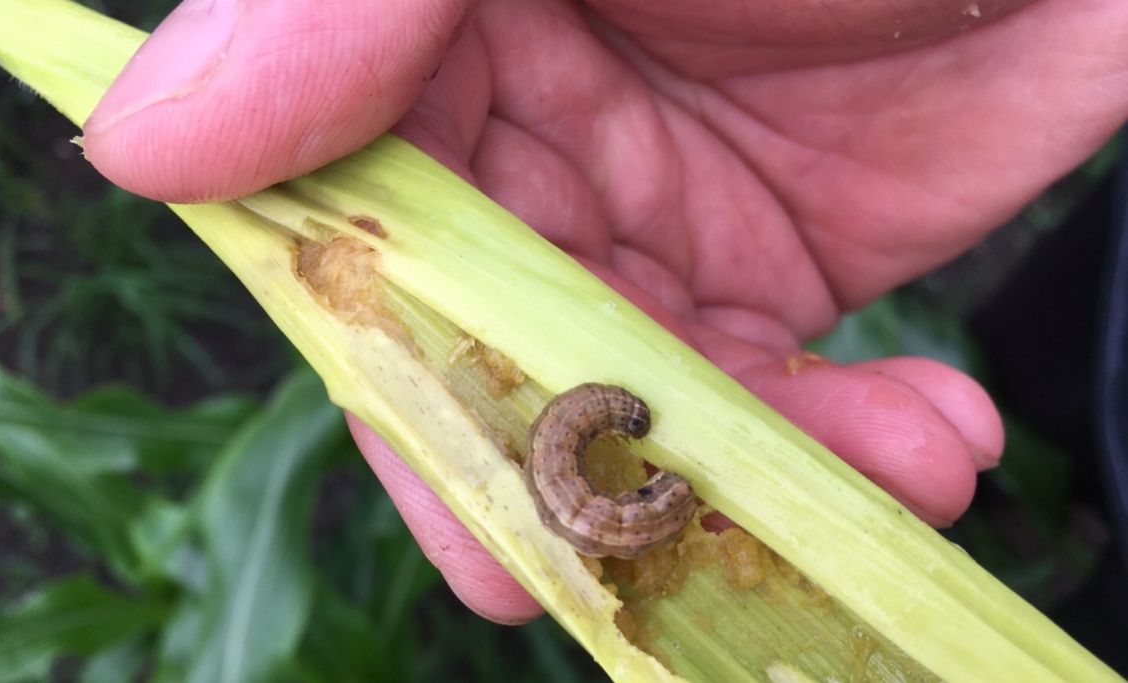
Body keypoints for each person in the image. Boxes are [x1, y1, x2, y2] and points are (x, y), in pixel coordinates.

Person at [82, 0, 1128, 624]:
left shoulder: (597, 450)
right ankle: (1046, 477)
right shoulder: (594, 449)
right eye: (643, 455)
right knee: (1029, 373)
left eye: (635, 454)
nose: (643, 449)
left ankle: (1043, 499)